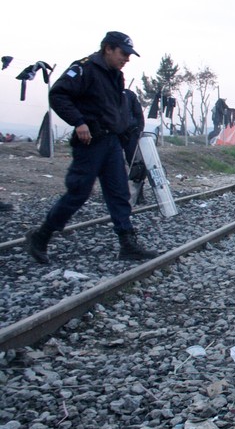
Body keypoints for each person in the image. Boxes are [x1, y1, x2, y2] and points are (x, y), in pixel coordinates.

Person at [25, 31, 158, 263]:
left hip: (112, 142)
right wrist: (78, 122)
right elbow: (58, 95)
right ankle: (41, 236)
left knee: (119, 193)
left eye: (129, 55)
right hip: (91, 143)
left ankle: (127, 243)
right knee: (78, 193)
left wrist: (125, 131)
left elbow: (115, 108)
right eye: (123, 53)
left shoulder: (115, 75)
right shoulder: (84, 69)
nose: (126, 58)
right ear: (108, 48)